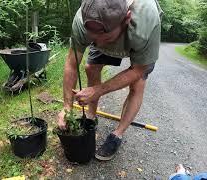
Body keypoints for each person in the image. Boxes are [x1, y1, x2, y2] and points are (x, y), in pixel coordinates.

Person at [57, 0, 163, 161]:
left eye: (104, 38)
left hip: (134, 40)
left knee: (137, 84)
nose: (97, 43)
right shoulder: (82, 20)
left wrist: (98, 90)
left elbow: (138, 70)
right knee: (90, 67)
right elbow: (72, 64)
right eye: (92, 38)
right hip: (112, 31)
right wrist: (66, 106)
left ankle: (117, 134)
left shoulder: (145, 21)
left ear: (127, 18)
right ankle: (91, 117)